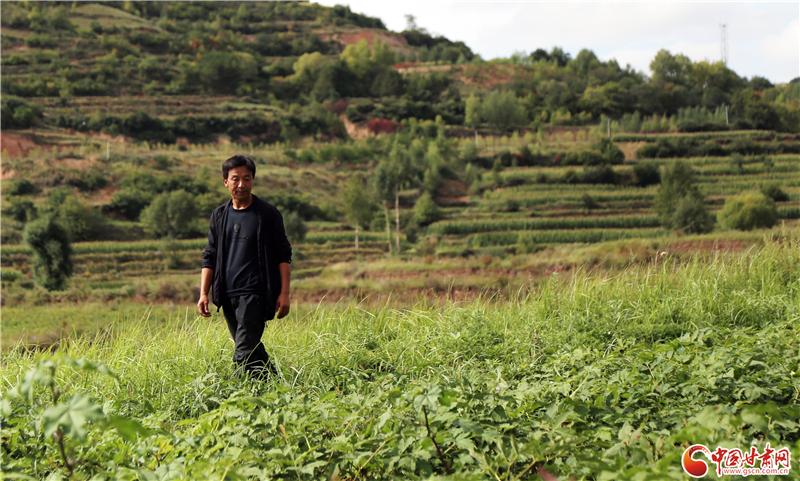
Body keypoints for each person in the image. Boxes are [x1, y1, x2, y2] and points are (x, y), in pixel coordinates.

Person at [198, 155, 292, 379]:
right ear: (225, 182)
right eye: (235, 179)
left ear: (253, 180)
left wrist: (285, 293)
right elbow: (209, 255)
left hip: (256, 293)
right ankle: (276, 388)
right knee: (251, 349)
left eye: (247, 179)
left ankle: (236, 396)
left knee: (242, 352)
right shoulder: (219, 216)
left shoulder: (267, 214)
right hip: (228, 294)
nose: (241, 184)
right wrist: (203, 293)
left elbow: (283, 254)